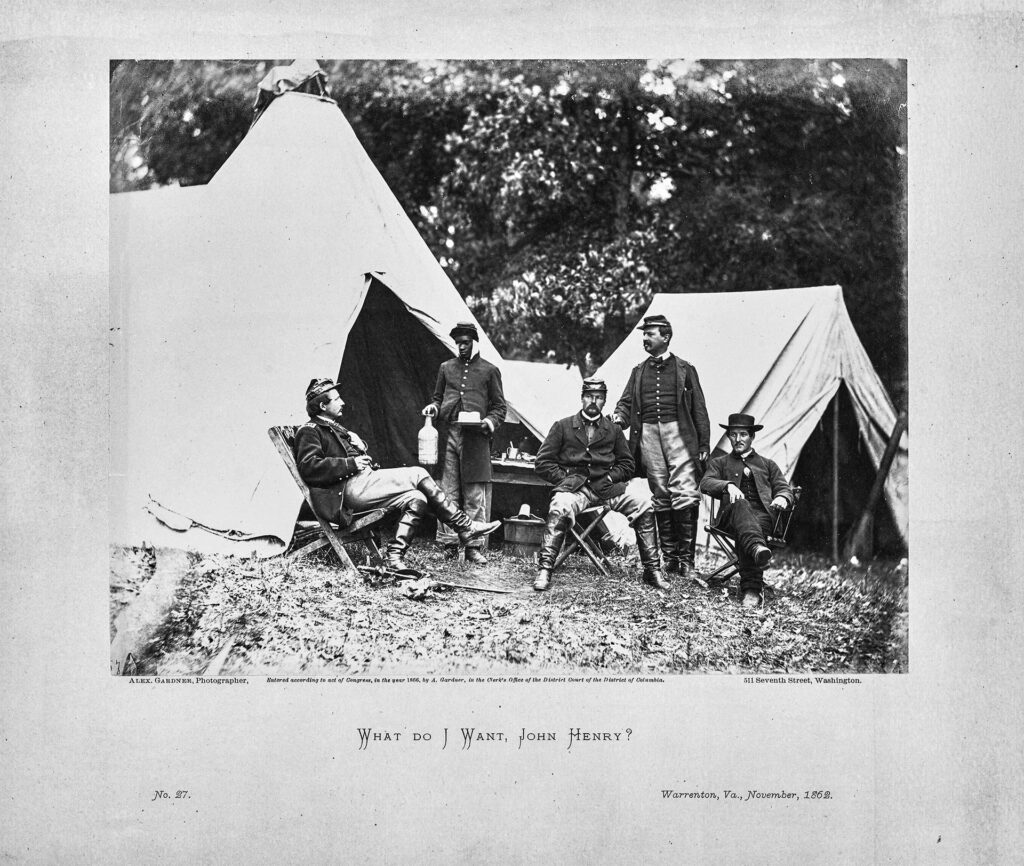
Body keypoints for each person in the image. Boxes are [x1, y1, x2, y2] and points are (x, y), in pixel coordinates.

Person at [295, 378, 500, 570]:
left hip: (363, 483)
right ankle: (464, 526)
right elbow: (310, 467)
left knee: (417, 498)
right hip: (348, 492)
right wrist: (352, 462)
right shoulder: (310, 430)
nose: (343, 402)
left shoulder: (333, 427)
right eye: (337, 399)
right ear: (322, 406)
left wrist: (360, 446)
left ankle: (394, 557)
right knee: (418, 473)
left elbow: (342, 455)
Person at [532, 377, 665, 592]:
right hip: (575, 490)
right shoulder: (563, 426)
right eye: (589, 397)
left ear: (604, 401)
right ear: (581, 398)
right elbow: (543, 463)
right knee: (560, 506)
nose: (593, 401)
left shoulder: (613, 430)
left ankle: (652, 571)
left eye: (599, 398)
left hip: (608, 488)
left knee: (644, 504)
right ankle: (545, 569)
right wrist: (566, 479)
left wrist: (612, 477)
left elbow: (627, 464)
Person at [613, 314, 710, 581]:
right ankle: (670, 559)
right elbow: (625, 402)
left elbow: (699, 409)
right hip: (649, 436)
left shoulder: (685, 369)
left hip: (679, 434)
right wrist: (619, 417)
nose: (645, 338)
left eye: (650, 333)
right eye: (644, 334)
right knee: (661, 494)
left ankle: (686, 562)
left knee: (685, 493)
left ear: (665, 337)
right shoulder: (638, 371)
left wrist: (703, 444)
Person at [421, 322, 507, 565]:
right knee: (446, 493)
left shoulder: (490, 371)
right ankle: (448, 545)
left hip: (476, 439)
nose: (461, 347)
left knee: (474, 495)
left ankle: (472, 547)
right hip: (450, 434)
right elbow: (438, 399)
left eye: (466, 343)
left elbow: (499, 407)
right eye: (458, 343)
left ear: (475, 342)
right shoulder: (446, 368)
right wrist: (434, 408)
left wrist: (489, 422)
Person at [699, 413, 794, 608]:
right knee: (741, 504)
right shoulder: (720, 462)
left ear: (752, 437)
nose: (738, 439)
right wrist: (727, 486)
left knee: (754, 525)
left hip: (763, 517)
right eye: (733, 435)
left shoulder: (768, 464)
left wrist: (783, 497)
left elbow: (784, 488)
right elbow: (705, 483)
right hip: (730, 516)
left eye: (743, 434)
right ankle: (752, 587)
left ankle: (755, 553)